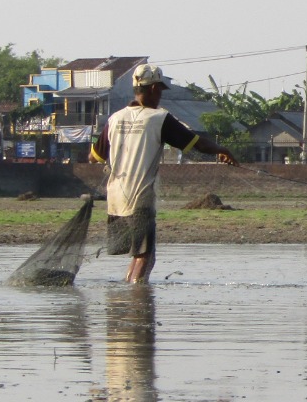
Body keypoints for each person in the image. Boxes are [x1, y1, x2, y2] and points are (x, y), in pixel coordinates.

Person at [90, 63, 236, 283]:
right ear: (154, 89)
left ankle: (125, 293)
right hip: (139, 197)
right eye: (159, 90)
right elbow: (198, 144)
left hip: (115, 199)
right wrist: (223, 150)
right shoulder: (159, 119)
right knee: (145, 255)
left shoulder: (115, 119)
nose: (160, 95)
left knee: (137, 254)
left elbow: (94, 157)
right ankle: (136, 299)